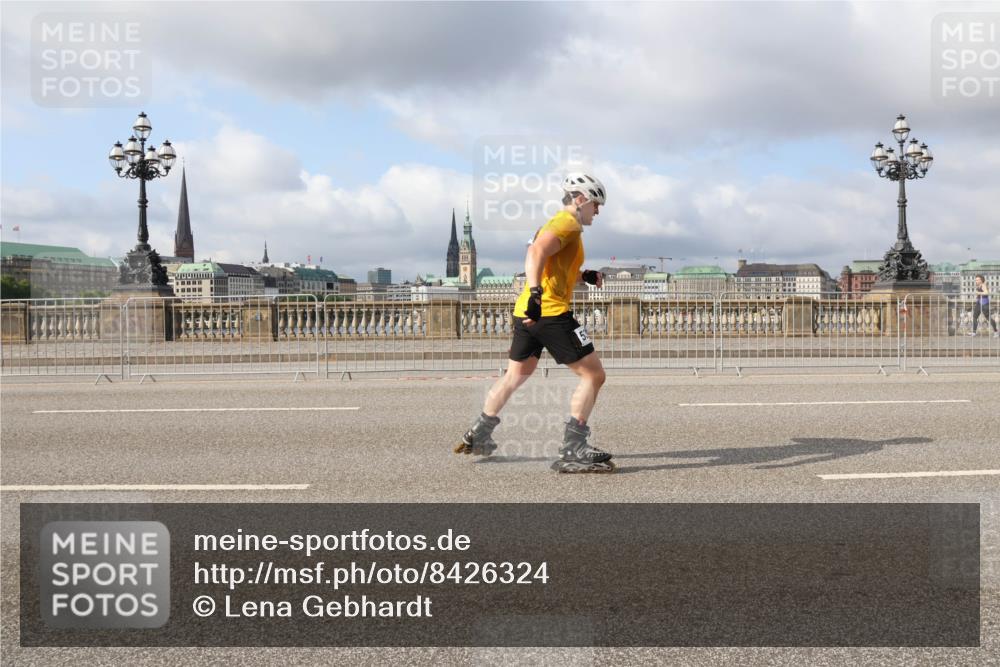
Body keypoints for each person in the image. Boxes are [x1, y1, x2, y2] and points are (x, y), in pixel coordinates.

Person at [455, 173, 614, 473]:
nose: (598, 211)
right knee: (594, 375)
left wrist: (585, 276)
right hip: (550, 314)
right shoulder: (567, 223)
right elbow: (535, 252)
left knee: (516, 374)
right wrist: (537, 294)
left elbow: (553, 267)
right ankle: (574, 449)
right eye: (596, 204)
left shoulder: (557, 224)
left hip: (526, 314)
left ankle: (479, 433)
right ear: (580, 199)